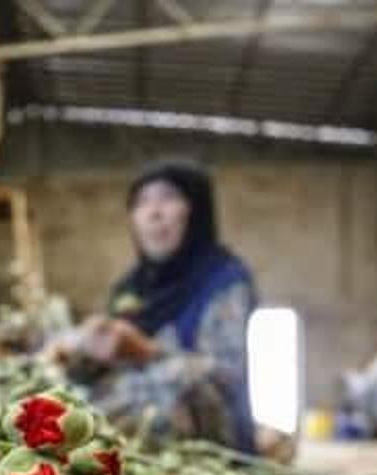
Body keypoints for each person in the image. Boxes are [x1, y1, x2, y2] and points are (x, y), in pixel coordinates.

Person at [63, 161, 258, 452]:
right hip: (133, 442)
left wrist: (145, 350)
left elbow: (224, 375)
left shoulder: (224, 281)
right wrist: (84, 351)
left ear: (195, 211)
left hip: (208, 449)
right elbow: (101, 365)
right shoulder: (130, 287)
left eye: (168, 198)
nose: (154, 213)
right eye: (141, 202)